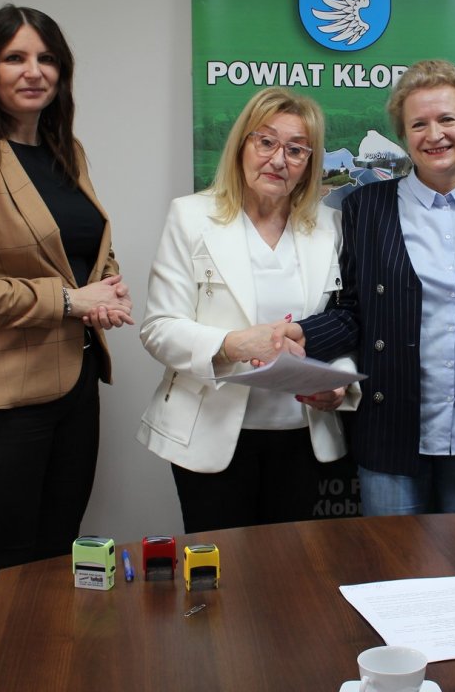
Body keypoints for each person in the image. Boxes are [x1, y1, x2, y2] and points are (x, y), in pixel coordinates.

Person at [0, 4, 133, 642]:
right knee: (7, 568)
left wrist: (108, 286)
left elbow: (84, 248)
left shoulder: (68, 151)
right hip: (5, 397)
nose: (33, 71)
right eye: (15, 57)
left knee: (58, 558)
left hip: (77, 385)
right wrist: (70, 302)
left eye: (47, 59)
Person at [284, 59, 455, 515]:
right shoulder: (366, 207)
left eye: (447, 119)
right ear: (403, 136)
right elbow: (353, 308)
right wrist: (303, 335)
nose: (434, 134)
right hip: (391, 428)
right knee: (392, 559)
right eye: (418, 124)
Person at [138, 86, 359, 533]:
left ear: (310, 163)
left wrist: (338, 382)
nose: (279, 160)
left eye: (296, 150)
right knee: (223, 568)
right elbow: (159, 328)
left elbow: (345, 321)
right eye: (266, 142)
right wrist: (232, 344)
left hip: (303, 436)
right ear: (242, 145)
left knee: (290, 567)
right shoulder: (190, 216)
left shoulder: (331, 227)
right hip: (212, 433)